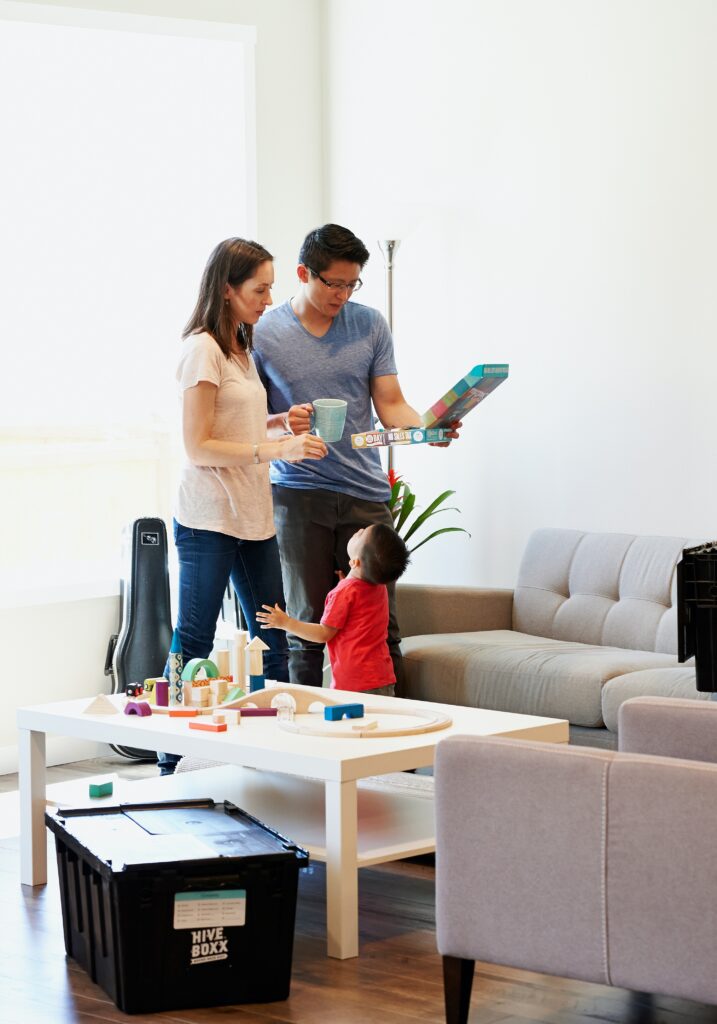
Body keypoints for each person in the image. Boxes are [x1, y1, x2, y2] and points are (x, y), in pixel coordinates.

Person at [252, 223, 460, 689]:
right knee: (305, 625)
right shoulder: (264, 333)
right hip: (298, 493)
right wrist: (286, 420)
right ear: (305, 273)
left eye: (352, 284)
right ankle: (303, 743)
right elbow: (248, 419)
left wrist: (426, 430)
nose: (343, 295)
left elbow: (390, 403)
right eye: (334, 283)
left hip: (365, 495)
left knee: (381, 627)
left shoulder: (369, 324)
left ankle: (397, 744)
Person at [158, 237, 327, 775]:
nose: (268, 298)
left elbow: (239, 424)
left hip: (253, 515)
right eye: (259, 288)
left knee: (269, 636)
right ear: (227, 290)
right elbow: (198, 444)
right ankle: (168, 756)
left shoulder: (240, 348)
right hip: (209, 517)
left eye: (271, 287)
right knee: (197, 637)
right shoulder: (202, 350)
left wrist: (282, 422)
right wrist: (276, 448)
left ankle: (271, 758)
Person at [256, 523, 409, 695]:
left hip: (355, 685)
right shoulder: (380, 588)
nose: (358, 530)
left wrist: (286, 622)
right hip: (383, 678)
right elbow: (361, 608)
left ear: (355, 562)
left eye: (361, 534)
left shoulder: (343, 593)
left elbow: (323, 634)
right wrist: (347, 581)